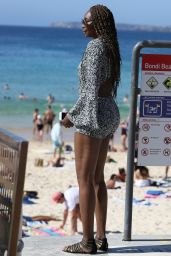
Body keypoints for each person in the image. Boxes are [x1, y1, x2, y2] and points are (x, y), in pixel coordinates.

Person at [61, 4, 121, 253]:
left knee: (84, 180)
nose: (82, 25)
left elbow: (89, 91)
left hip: (93, 115)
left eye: (86, 21)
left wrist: (71, 117)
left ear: (98, 24)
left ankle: (86, 242)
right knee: (97, 179)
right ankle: (100, 238)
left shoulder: (95, 47)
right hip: (108, 112)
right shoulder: (110, 47)